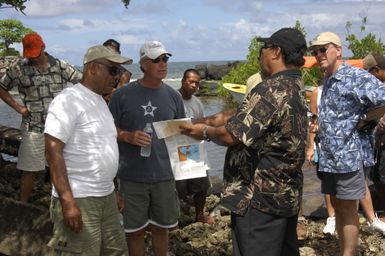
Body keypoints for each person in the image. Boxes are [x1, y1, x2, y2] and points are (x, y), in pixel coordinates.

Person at [180, 28, 308, 256]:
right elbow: (245, 118)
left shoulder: (271, 89)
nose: (260, 56)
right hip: (285, 195)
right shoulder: (296, 86)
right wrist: (207, 121)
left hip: (258, 199)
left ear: (276, 52)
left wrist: (205, 132)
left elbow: (232, 135)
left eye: (263, 49)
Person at [44, 45, 132, 255]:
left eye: (119, 72)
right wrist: (67, 201)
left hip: (106, 198)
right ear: (93, 68)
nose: (118, 77)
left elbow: (100, 148)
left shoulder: (101, 102)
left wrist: (112, 190)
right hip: (80, 198)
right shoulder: (68, 100)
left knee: (117, 251)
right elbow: (52, 151)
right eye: (113, 70)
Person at [308, 32, 385, 255]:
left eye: (324, 49)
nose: (319, 54)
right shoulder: (328, 79)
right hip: (330, 156)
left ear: (338, 50)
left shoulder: (355, 76)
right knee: (339, 207)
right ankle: (345, 250)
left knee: (349, 207)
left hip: (349, 155)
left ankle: (349, 253)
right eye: (316, 51)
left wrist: (365, 120)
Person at [108, 41, 185, 256]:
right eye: (156, 60)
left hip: (164, 176)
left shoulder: (173, 96)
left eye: (165, 59)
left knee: (162, 228)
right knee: (134, 231)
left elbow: (182, 133)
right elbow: (106, 131)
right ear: (143, 64)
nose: (162, 64)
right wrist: (128, 136)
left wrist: (190, 166)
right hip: (131, 177)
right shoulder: (122, 95)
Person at [0, 32, 82, 202]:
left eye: (36, 54)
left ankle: (62, 205)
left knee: (62, 168)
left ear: (43, 47)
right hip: (33, 127)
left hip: (60, 128)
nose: (33, 58)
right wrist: (18, 108)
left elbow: (83, 83)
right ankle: (22, 205)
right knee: (29, 169)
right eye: (29, 54)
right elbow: (1, 87)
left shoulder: (60, 65)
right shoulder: (18, 68)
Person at [306, 82, 385, 235]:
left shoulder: (350, 87)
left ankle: (371, 218)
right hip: (326, 144)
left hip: (350, 144)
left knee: (359, 178)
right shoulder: (318, 92)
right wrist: (311, 146)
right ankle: (332, 217)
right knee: (328, 181)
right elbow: (313, 120)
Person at [175, 68, 214, 224]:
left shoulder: (197, 103)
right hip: (175, 148)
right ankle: (174, 220)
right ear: (183, 81)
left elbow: (202, 124)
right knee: (177, 186)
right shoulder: (173, 98)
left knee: (202, 184)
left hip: (193, 148)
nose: (194, 86)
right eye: (191, 81)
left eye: (197, 83)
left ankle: (199, 215)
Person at [364, 53, 385, 215]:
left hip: (382, 140)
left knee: (381, 176)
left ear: (377, 70)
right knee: (376, 176)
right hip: (378, 139)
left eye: (368, 72)